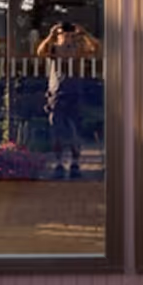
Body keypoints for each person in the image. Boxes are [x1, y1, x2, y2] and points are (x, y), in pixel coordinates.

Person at [36, 21, 100, 179]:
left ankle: (75, 164)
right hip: (56, 94)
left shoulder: (78, 50)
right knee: (57, 131)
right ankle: (58, 164)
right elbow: (40, 52)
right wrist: (51, 35)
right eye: (64, 34)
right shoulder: (53, 48)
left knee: (74, 131)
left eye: (70, 35)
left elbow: (96, 49)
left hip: (75, 94)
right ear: (58, 35)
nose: (67, 38)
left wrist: (85, 34)